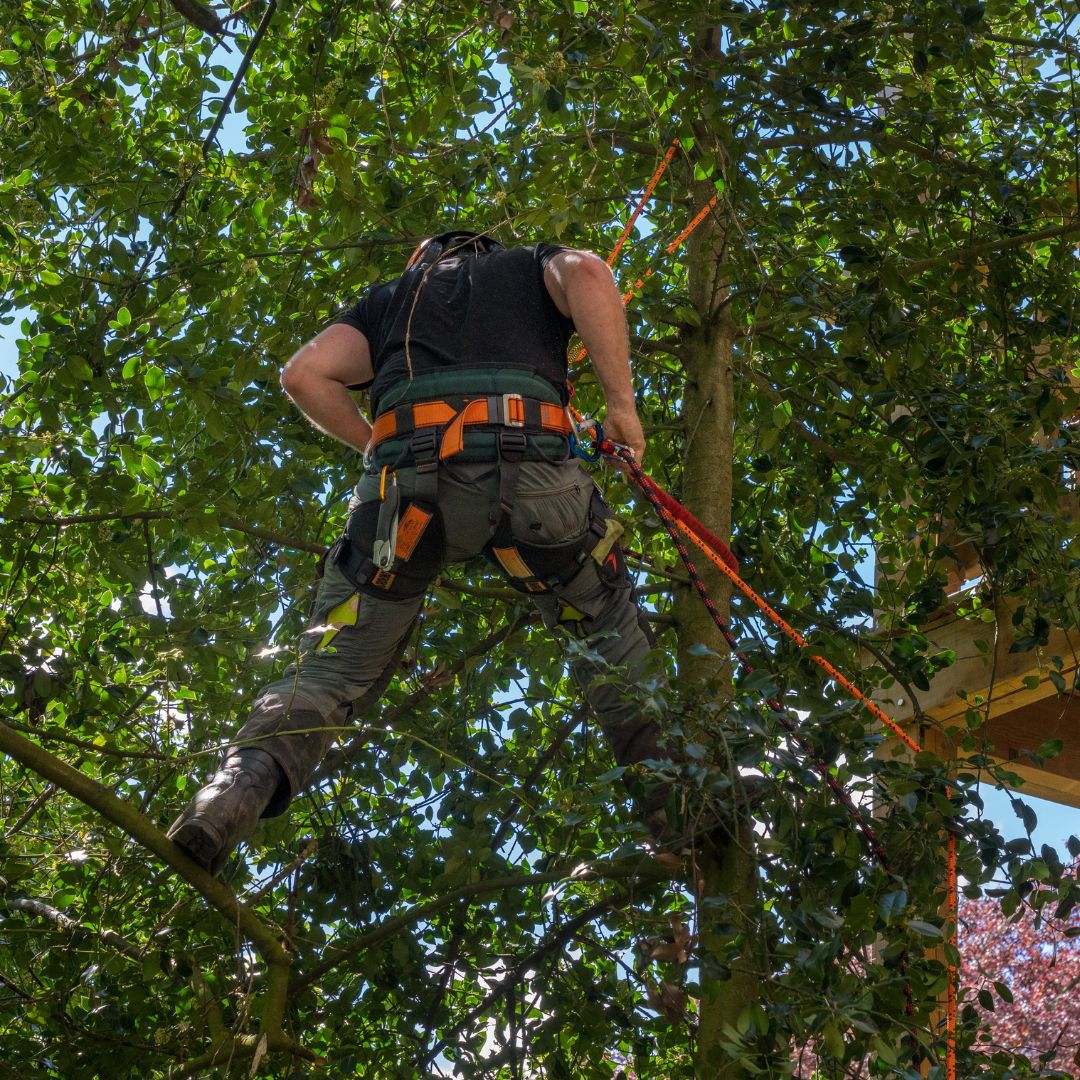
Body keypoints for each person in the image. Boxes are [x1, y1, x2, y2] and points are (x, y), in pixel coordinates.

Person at [166, 231, 667, 874]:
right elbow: (591, 274)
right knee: (607, 629)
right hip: (538, 490)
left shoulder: (388, 301)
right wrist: (621, 409)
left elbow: (303, 375)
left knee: (329, 670)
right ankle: (678, 808)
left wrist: (385, 451)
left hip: (404, 504)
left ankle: (233, 791)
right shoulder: (526, 266)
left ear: (421, 262)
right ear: (483, 252)